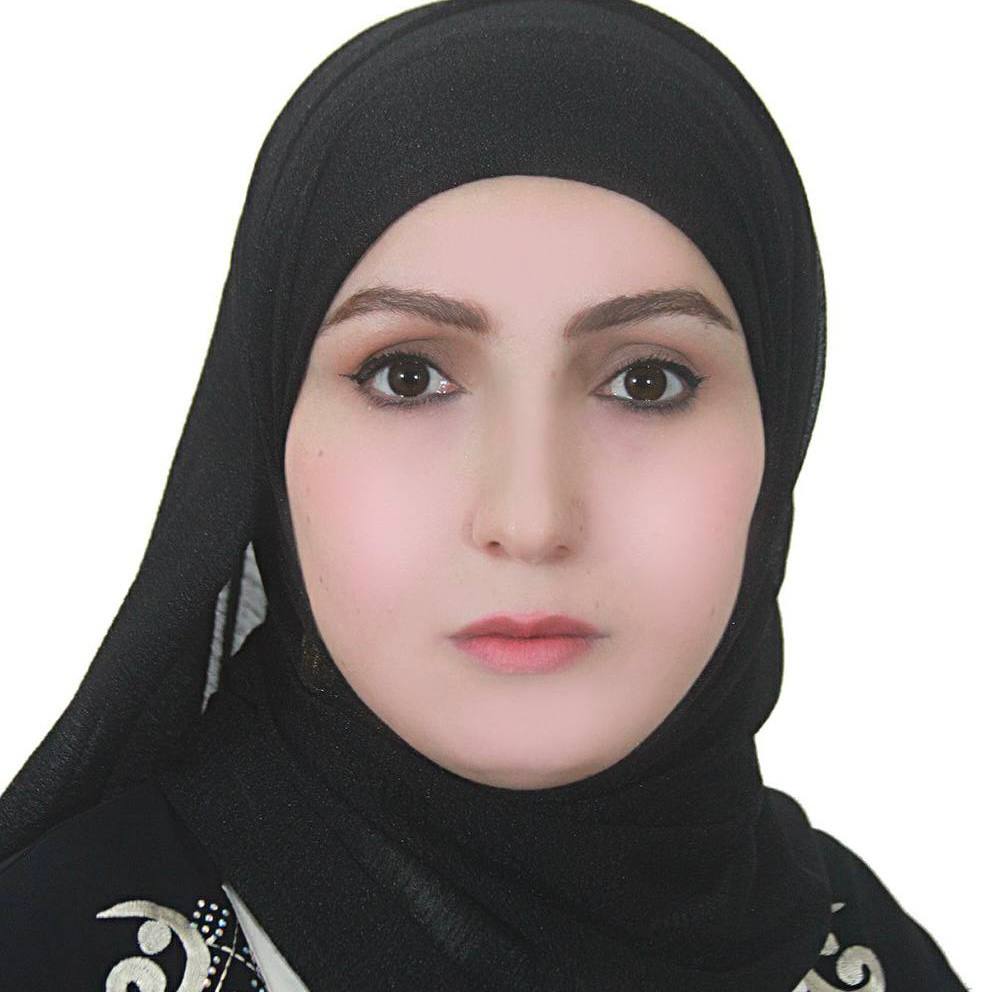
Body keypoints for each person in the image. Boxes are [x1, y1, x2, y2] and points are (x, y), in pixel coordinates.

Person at [0, 1, 970, 989]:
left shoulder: (872, 956)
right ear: (263, 433)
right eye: (408, 375)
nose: (529, 519)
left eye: (647, 381)